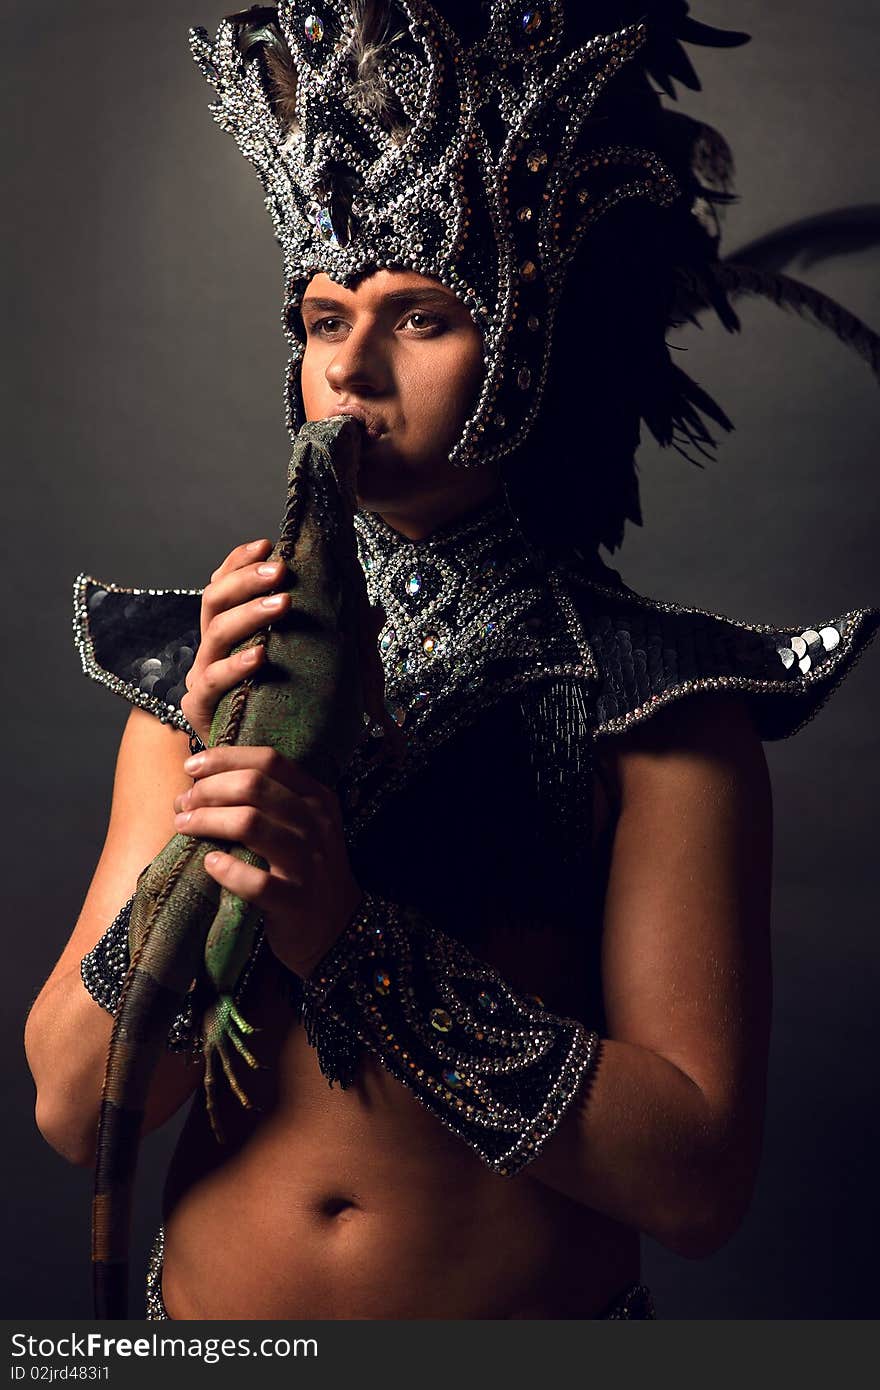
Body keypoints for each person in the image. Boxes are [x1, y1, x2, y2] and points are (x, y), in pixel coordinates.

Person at [24, 1, 878, 1320]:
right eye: (322, 318)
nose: (352, 368)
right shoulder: (207, 666)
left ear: (537, 334)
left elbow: (700, 1179)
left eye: (421, 317)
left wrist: (348, 939)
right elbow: (77, 1105)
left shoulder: (649, 706)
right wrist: (208, 811)